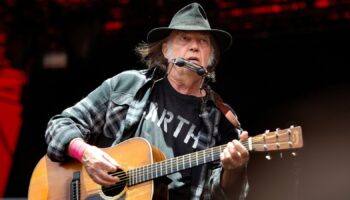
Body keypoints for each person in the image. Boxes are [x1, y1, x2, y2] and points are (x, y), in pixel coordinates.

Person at [45, 2, 249, 200]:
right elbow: (59, 125)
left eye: (203, 41)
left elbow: (228, 195)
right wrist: (86, 154)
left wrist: (234, 172)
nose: (194, 46)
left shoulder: (221, 120)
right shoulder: (128, 85)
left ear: (211, 57)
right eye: (184, 38)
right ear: (165, 49)